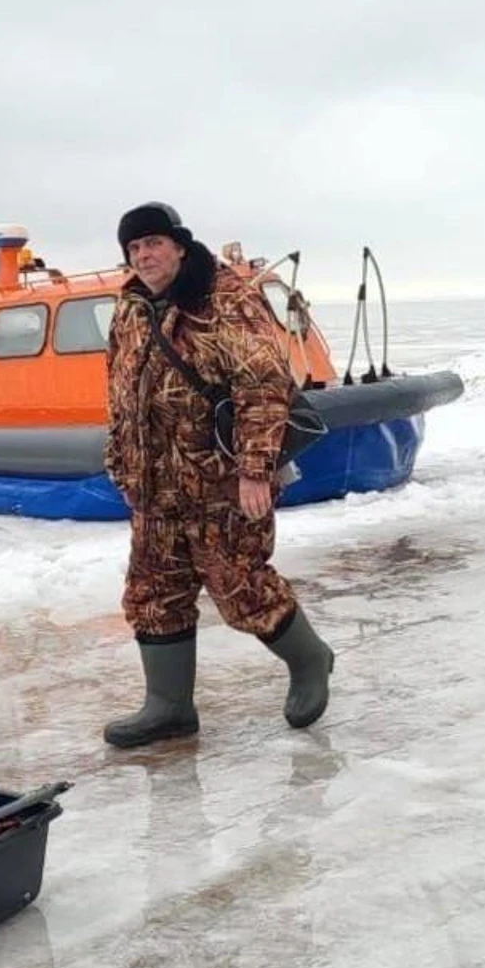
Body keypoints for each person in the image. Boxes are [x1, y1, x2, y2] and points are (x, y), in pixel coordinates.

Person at [99, 201, 335, 748]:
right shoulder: (131, 308)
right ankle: (168, 706)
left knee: (242, 586)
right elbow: (120, 391)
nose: (144, 256)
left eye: (153, 243)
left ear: (179, 245)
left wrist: (255, 470)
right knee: (153, 593)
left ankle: (310, 660)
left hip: (220, 481)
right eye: (134, 249)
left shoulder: (226, 300)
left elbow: (262, 385)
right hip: (155, 486)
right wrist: (122, 460)